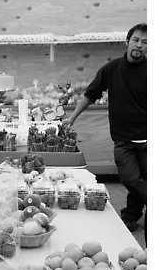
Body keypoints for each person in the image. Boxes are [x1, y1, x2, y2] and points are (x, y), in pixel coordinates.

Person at [63, 23, 147, 239]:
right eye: (136, 40)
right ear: (127, 42)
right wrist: (72, 118)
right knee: (130, 178)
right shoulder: (112, 69)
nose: (140, 45)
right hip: (123, 140)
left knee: (143, 180)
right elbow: (91, 93)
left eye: (146, 42)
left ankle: (131, 216)